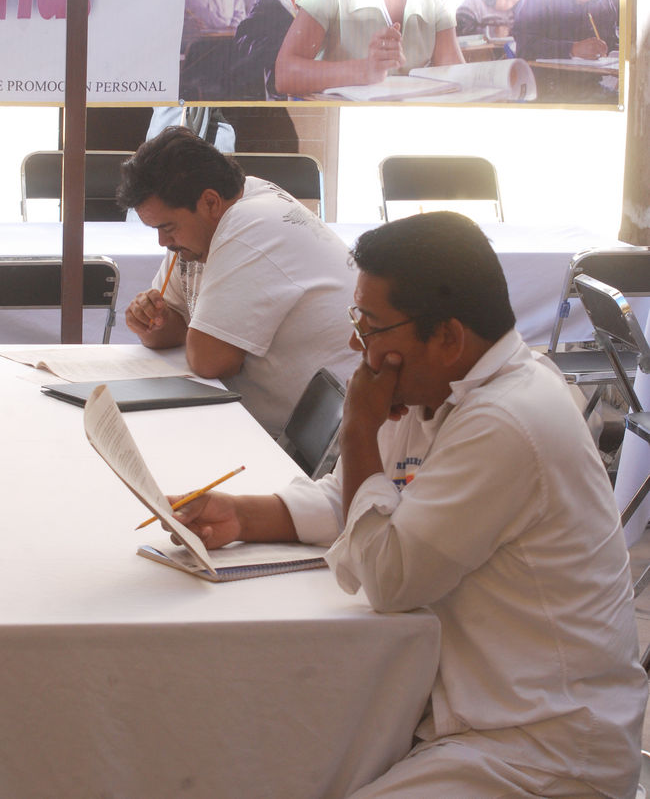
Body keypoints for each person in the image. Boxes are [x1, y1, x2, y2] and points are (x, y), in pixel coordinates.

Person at [167, 211, 647, 797]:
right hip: (465, 712)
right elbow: (359, 497)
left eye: (370, 325)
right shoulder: (438, 386)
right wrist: (243, 514)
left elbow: (389, 578)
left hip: (542, 747)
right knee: (256, 754)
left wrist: (358, 431)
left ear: (447, 338)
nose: (356, 342)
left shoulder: (508, 419)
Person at [117, 126, 357, 438]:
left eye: (168, 227)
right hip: (284, 430)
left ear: (210, 202)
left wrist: (196, 334)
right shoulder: (208, 224)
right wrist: (153, 322)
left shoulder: (250, 223)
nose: (163, 242)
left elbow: (211, 361)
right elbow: (173, 321)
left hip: (326, 443)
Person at [274, 0, 464, 97]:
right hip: (343, 127)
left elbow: (457, 78)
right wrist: (363, 70)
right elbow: (284, 75)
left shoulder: (434, 1)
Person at [513, 0, 618, 62]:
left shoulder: (604, 1)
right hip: (547, 80)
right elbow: (524, 46)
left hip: (595, 79)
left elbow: (611, 42)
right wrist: (572, 49)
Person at [456, 0, 525, 39]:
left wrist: (508, 33)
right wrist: (492, 33)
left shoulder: (515, 11)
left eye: (513, 2)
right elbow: (460, 32)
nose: (508, 5)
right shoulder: (473, 3)